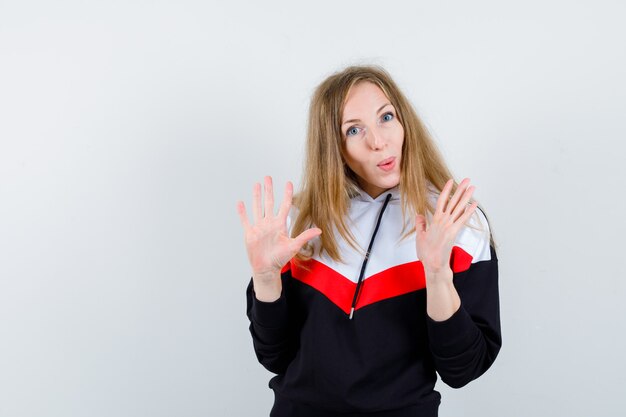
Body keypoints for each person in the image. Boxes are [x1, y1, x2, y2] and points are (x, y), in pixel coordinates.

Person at [236, 66, 501, 417]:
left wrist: (437, 275)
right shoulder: (297, 223)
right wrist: (265, 278)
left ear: (405, 122)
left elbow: (463, 369)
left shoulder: (456, 222)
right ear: (335, 147)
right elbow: (274, 356)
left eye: (386, 117)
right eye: (354, 129)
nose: (378, 141)